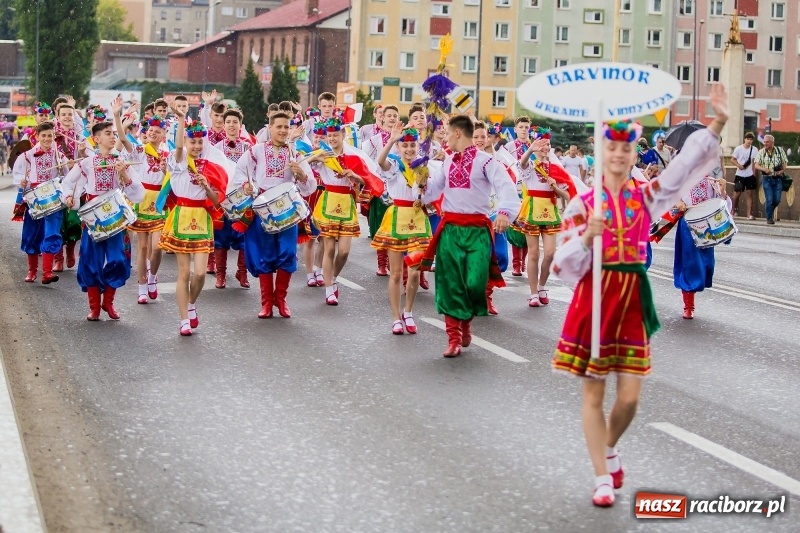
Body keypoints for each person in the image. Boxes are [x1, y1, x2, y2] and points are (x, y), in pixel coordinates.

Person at [550, 83, 729, 508]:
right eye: (611, 148)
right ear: (603, 152)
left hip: (631, 297)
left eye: (626, 150)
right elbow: (562, 265)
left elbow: (683, 168)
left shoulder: (643, 198)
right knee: (594, 393)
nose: (618, 155)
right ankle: (601, 478)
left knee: (629, 397)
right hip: (594, 298)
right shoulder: (583, 204)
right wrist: (586, 239)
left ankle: (609, 447)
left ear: (633, 155)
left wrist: (717, 122)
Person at [419, 115, 521, 357]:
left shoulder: (486, 162)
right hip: (451, 229)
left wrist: (505, 213)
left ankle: (466, 321)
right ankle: (453, 336)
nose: (444, 135)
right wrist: (421, 184)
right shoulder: (447, 162)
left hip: (478, 230)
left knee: (475, 283)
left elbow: (506, 187)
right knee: (450, 282)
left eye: (446, 131)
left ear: (457, 133)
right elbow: (433, 190)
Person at [230, 111, 316, 318]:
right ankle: (267, 303)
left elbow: (310, 186)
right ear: (270, 128)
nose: (283, 131)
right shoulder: (256, 151)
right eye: (279, 127)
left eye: (286, 127)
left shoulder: (296, 153)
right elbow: (240, 173)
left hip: (288, 209)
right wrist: (246, 186)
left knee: (287, 252)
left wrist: (301, 174)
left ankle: (281, 300)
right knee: (265, 254)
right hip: (262, 208)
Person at [62, 113, 145, 321]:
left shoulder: (122, 161)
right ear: (96, 139)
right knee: (91, 260)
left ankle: (108, 302)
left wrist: (124, 174)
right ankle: (94, 307)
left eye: (113, 133)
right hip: (93, 218)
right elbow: (68, 183)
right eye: (108, 133)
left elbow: (138, 193)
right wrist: (68, 198)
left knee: (118, 259)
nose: (112, 136)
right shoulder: (86, 163)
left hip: (116, 217)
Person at [158, 105, 222, 335]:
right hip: (181, 217)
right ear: (186, 142)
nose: (196, 146)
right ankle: (184, 318)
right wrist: (183, 119)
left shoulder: (210, 166)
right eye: (192, 141)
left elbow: (217, 202)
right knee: (184, 273)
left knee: (201, 274)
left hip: (202, 220)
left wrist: (207, 186)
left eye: (199, 142)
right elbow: (176, 147)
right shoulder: (178, 161)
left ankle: (192, 303)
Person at [373, 124, 432, 334]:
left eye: (412, 145)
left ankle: (409, 311)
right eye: (405, 145)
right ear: (399, 147)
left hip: (417, 219)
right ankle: (396, 318)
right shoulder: (395, 165)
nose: (409, 149)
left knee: (415, 272)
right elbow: (380, 162)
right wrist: (391, 140)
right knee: (396, 273)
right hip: (397, 218)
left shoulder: (423, 166)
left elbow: (429, 194)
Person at [311, 117, 371, 305]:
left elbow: (366, 179)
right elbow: (304, 162)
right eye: (329, 136)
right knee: (329, 248)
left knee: (343, 252)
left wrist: (354, 175)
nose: (332, 138)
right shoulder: (324, 155)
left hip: (346, 203)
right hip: (329, 201)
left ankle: (333, 277)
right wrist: (317, 156)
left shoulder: (354, 156)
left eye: (336, 135)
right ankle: (329, 288)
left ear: (343, 135)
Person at [518, 128, 572, 308]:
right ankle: (533, 293)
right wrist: (530, 150)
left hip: (550, 211)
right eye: (541, 144)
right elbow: (522, 163)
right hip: (532, 209)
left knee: (550, 253)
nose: (545, 147)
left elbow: (567, 195)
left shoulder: (556, 168)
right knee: (533, 253)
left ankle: (542, 286)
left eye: (547, 144)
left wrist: (555, 187)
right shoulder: (531, 165)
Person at [12, 121, 69, 284]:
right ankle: (32, 271)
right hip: (34, 199)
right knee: (32, 234)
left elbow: (68, 176)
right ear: (36, 136)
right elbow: (17, 174)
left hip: (53, 199)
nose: (47, 139)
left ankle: (47, 273)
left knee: (52, 233)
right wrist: (21, 182)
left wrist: (69, 167)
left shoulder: (59, 156)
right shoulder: (26, 156)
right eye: (43, 136)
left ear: (53, 136)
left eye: (50, 136)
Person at [673, 172, 730, 319]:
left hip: (706, 224)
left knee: (707, 265)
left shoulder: (711, 178)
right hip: (688, 223)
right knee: (691, 264)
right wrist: (678, 202)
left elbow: (720, 202)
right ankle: (688, 306)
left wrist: (722, 190)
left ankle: (692, 294)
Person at [127, 112, 168, 304]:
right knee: (142, 247)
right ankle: (142, 287)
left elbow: (173, 179)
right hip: (142, 200)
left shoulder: (167, 155)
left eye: (157, 131)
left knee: (157, 247)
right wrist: (119, 118)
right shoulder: (140, 150)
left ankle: (152, 277)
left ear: (163, 135)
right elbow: (123, 140)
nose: (153, 133)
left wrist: (165, 169)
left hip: (159, 202)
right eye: (150, 130)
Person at [212, 108, 252, 289]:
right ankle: (220, 274)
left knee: (243, 235)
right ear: (223, 125)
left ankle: (242, 273)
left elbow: (252, 172)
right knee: (221, 237)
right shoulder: (216, 149)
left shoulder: (248, 148)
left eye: (235, 122)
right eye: (228, 122)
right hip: (223, 198)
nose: (231, 125)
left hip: (243, 199)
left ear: (240, 125)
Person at [754, 134, 788, 225]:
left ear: (773, 142)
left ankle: (769, 211)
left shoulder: (779, 151)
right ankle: (769, 218)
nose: (765, 143)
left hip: (778, 178)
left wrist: (782, 170)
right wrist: (764, 169)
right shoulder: (761, 152)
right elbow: (756, 165)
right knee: (769, 199)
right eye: (764, 142)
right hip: (766, 178)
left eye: (767, 142)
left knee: (777, 199)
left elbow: (785, 162)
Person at [731, 132, 757, 220]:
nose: (749, 141)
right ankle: (733, 210)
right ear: (744, 139)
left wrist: (754, 174)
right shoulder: (738, 149)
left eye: (751, 139)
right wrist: (739, 165)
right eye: (748, 139)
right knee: (737, 194)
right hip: (739, 174)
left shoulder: (754, 149)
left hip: (749, 175)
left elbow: (754, 163)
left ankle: (749, 214)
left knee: (749, 194)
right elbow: (732, 159)